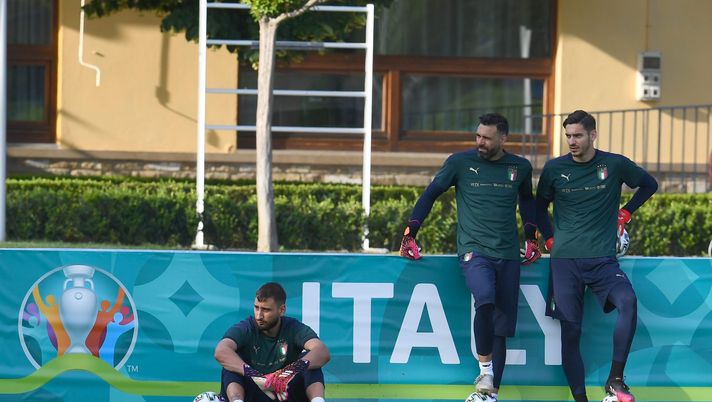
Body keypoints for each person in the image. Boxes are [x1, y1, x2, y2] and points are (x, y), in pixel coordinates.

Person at [400, 113, 541, 401]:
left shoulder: (521, 167)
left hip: (508, 255)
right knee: (485, 298)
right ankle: (484, 369)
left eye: (486, 138)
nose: (480, 142)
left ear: (503, 138)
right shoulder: (459, 163)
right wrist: (410, 232)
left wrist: (531, 236)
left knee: (500, 328)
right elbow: (430, 194)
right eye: (477, 136)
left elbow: (527, 202)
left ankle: (490, 395)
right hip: (474, 251)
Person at [535, 110, 658, 402]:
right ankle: (580, 400)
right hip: (565, 263)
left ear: (593, 135)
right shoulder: (554, 169)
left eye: (577, 135)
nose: (572, 141)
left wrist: (626, 212)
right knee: (571, 331)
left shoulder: (614, 164)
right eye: (568, 136)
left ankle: (615, 380)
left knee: (628, 301)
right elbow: (537, 207)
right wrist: (549, 237)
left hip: (603, 261)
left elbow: (649, 184)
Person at [215, 282, 330, 402]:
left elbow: (322, 351)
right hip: (254, 392)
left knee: (309, 360)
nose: (259, 315)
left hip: (284, 393)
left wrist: (288, 372)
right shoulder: (246, 327)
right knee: (232, 361)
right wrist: (255, 376)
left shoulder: (293, 328)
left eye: (266, 310)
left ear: (281, 310)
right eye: (256, 307)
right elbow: (221, 351)